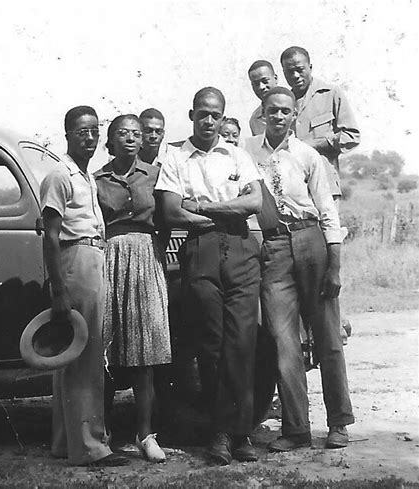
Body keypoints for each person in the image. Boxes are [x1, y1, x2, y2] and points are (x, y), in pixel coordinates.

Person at [156, 87, 263, 466]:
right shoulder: (176, 157)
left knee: (242, 341)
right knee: (212, 341)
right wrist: (217, 212)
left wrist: (204, 205)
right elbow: (170, 210)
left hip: (240, 247)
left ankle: (241, 432)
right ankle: (221, 433)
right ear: (191, 114)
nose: (209, 121)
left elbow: (254, 202)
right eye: (202, 114)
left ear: (222, 117)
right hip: (200, 249)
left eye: (215, 115)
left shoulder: (237, 155)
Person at [245, 87, 355, 452]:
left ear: (294, 116)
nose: (278, 116)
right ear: (263, 113)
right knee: (282, 340)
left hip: (311, 242)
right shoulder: (246, 153)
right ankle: (296, 429)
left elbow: (327, 211)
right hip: (273, 247)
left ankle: (339, 423)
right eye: (272, 110)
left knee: (327, 337)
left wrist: (334, 266)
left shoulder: (309, 156)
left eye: (285, 111)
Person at [40, 105, 128, 466]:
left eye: (94, 131)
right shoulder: (60, 176)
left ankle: (67, 442)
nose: (89, 138)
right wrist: (59, 288)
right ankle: (91, 447)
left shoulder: (85, 176)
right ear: (67, 136)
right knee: (86, 354)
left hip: (91, 257)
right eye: (81, 132)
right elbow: (50, 233)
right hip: (76, 261)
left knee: (72, 354)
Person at [94, 114, 171, 463]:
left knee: (145, 351)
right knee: (105, 348)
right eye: (122, 133)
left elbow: (166, 222)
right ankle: (101, 430)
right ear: (110, 140)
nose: (130, 138)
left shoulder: (155, 176)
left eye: (136, 134)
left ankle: (145, 433)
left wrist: (150, 253)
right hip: (109, 259)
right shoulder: (97, 179)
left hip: (145, 258)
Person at [280, 46, 360, 201]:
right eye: (290, 71)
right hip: (294, 190)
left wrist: (314, 145)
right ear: (283, 73)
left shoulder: (331, 94)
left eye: (300, 69)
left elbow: (352, 136)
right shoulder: (284, 103)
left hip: (326, 187)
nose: (295, 75)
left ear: (310, 67)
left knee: (329, 226)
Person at [248, 60, 278, 136]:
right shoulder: (255, 120)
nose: (261, 87)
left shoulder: (295, 106)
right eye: (256, 84)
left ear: (275, 78)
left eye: (265, 81)